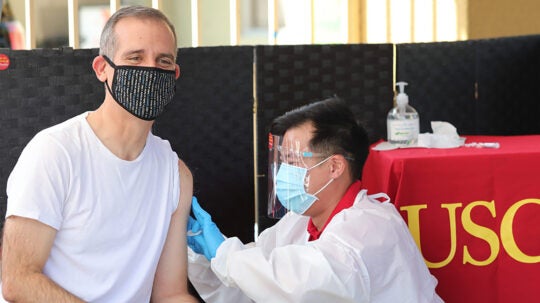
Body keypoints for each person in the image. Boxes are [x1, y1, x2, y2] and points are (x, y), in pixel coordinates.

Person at [1, 6, 198, 302]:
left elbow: (170, 294)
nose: (150, 70)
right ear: (101, 68)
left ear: (175, 74)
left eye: (163, 61)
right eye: (135, 57)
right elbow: (18, 281)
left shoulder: (175, 174)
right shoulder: (55, 153)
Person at [187, 97, 444, 303]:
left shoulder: (371, 229)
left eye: (293, 161)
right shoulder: (298, 222)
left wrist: (223, 253)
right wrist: (200, 257)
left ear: (334, 167)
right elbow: (251, 288)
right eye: (282, 161)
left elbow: (299, 286)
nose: (283, 172)